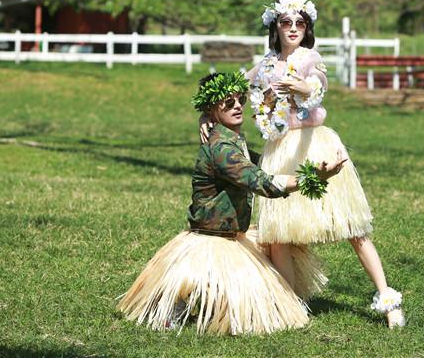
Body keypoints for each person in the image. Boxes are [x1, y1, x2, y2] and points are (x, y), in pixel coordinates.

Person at [202, 0, 405, 327]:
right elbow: (235, 84)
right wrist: (207, 112)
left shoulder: (310, 58)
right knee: (278, 234)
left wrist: (302, 85)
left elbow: (318, 86)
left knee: (353, 228)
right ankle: (291, 304)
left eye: (300, 24)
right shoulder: (267, 63)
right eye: (286, 23)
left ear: (307, 29)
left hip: (314, 144)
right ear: (275, 28)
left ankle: (387, 298)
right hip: (280, 150)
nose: (293, 29)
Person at [118, 72, 344, 335]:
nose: (237, 105)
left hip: (234, 234)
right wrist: (313, 177)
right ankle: (181, 301)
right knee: (250, 322)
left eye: (239, 100)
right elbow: (262, 182)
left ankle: (212, 300)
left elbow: (265, 166)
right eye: (227, 103)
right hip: (212, 239)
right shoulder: (222, 150)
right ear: (212, 110)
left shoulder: (235, 142)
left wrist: (311, 165)